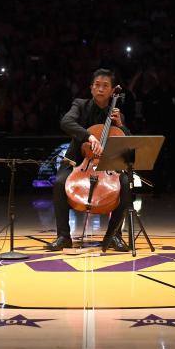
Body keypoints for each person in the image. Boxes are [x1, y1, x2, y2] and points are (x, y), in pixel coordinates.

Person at [48, 69, 131, 252]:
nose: (100, 89)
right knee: (60, 182)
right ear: (91, 88)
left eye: (105, 86)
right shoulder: (80, 105)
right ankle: (63, 236)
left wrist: (121, 126)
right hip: (78, 162)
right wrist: (89, 136)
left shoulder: (116, 114)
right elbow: (66, 122)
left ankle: (113, 236)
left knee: (125, 184)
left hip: (106, 165)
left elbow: (128, 143)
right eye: (97, 85)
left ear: (111, 92)